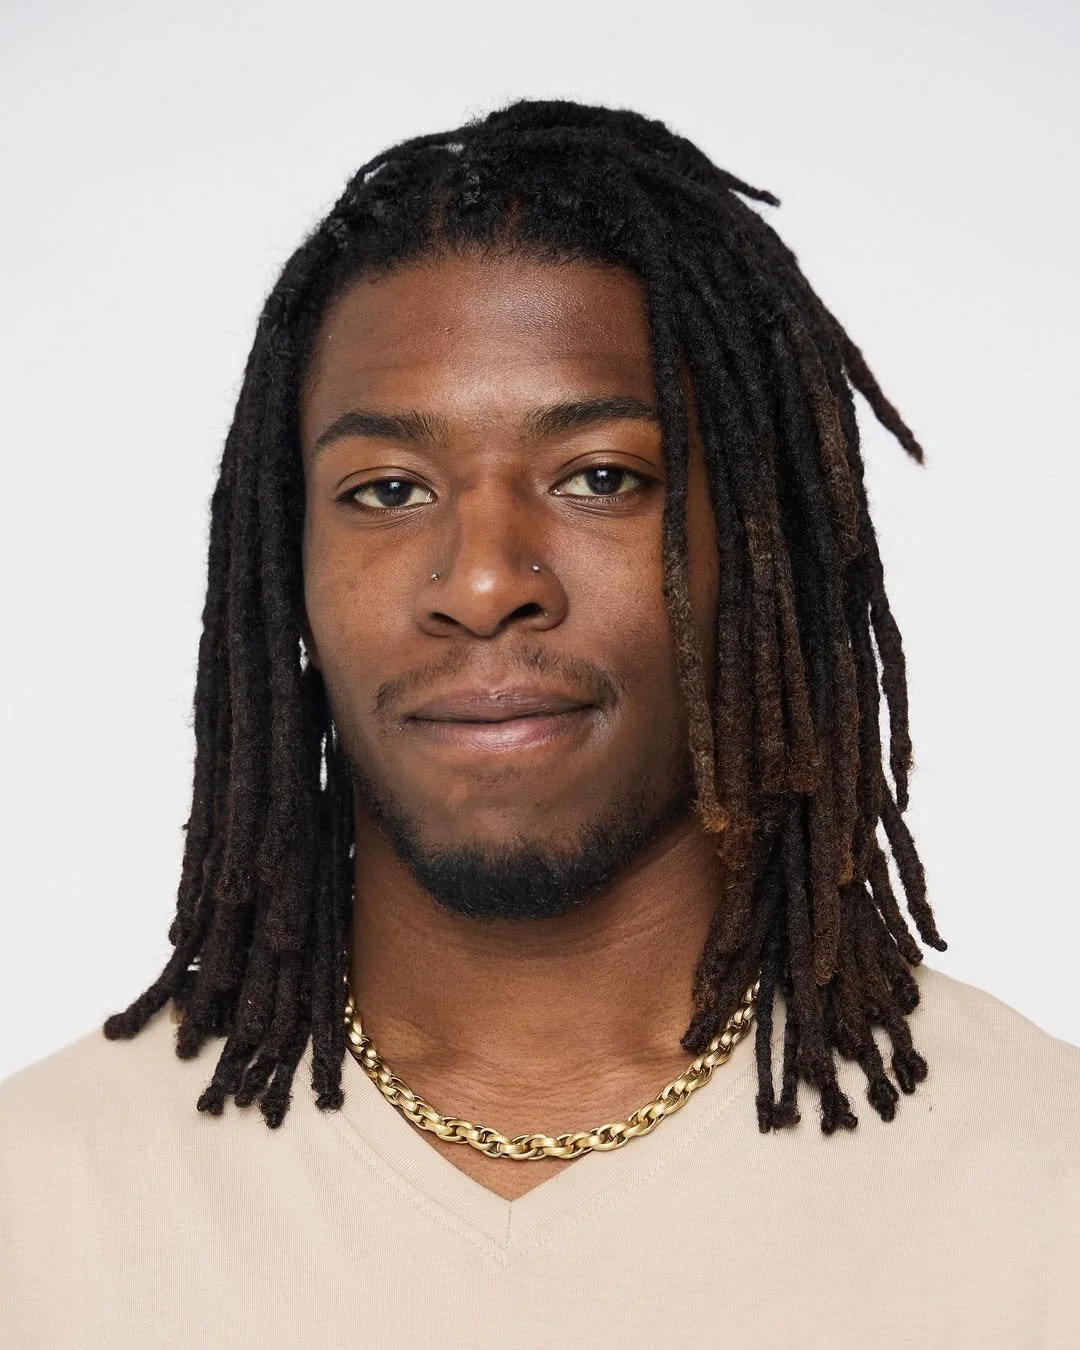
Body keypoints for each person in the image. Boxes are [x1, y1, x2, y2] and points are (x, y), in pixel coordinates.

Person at [1, 98, 1076, 1348]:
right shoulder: (39, 1209)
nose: (484, 580)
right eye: (388, 490)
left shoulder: (1042, 1192)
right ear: (282, 561)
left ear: (763, 547)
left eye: (601, 478)